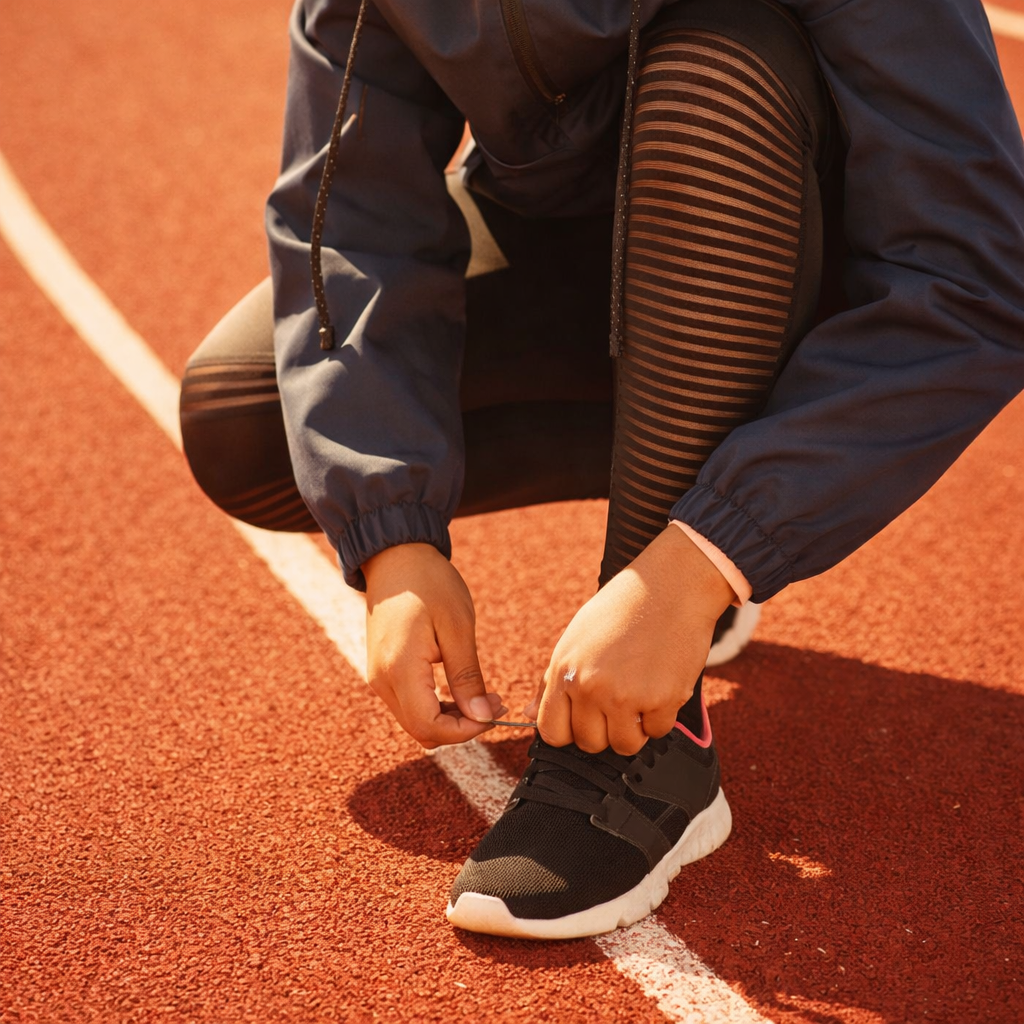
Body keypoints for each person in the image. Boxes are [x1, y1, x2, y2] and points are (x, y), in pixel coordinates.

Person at [179, 0, 1024, 939]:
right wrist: (393, 533)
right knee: (248, 422)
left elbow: (971, 275)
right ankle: (704, 489)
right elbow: (349, 221)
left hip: (793, 243)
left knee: (720, 62)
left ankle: (656, 743)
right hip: (574, 239)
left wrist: (702, 558)